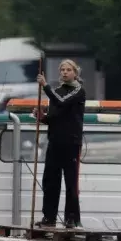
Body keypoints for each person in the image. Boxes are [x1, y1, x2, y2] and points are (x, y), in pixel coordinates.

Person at [33, 59, 86, 229]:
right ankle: (49, 217)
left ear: (75, 73)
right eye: (62, 69)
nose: (65, 72)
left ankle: (71, 218)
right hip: (54, 141)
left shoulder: (78, 90)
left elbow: (62, 102)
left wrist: (45, 86)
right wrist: (42, 117)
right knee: (50, 180)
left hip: (71, 143)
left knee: (71, 182)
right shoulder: (56, 91)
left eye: (68, 69)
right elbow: (55, 116)